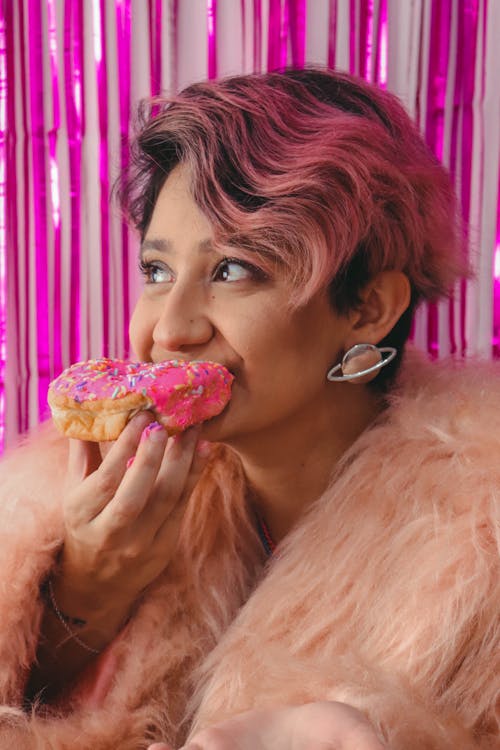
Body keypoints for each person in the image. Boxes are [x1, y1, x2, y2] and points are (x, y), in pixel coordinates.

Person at [0, 68, 497, 750]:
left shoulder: (481, 541)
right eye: (156, 271)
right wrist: (85, 590)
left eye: (233, 269)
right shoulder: (63, 492)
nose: (170, 330)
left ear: (367, 308)